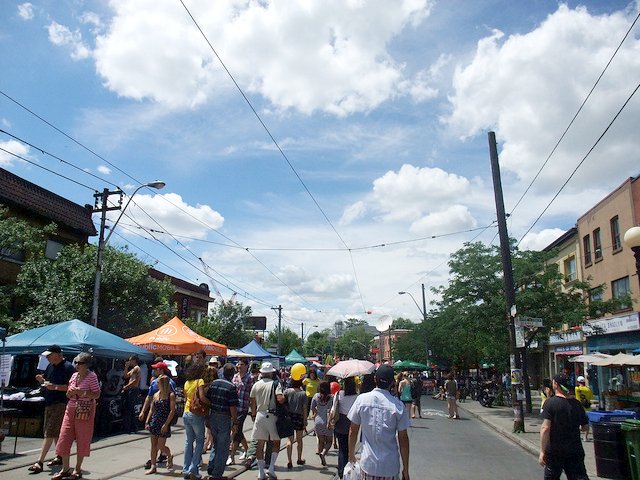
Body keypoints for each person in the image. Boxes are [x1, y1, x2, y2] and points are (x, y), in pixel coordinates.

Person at [348, 364, 410, 480]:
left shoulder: (362, 400)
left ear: (375, 379)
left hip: (368, 463)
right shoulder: (398, 406)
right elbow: (403, 440)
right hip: (390, 466)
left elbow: (353, 431)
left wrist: (351, 454)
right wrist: (405, 469)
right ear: (392, 382)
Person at [28, 345, 76, 474]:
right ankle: (59, 455)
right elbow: (48, 383)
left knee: (50, 432)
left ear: (57, 354)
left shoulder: (68, 367)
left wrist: (54, 387)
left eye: (50, 355)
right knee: (54, 431)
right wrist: (42, 380)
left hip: (60, 403)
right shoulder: (50, 367)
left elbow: (71, 388)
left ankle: (39, 461)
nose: (48, 357)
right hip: (49, 402)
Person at [53, 352, 101, 480]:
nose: (76, 365)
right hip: (71, 408)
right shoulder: (74, 375)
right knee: (64, 436)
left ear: (86, 365)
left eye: (79, 363)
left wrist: (82, 392)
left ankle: (77, 469)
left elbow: (96, 394)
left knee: (82, 438)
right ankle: (65, 469)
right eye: (76, 362)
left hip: (85, 410)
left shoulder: (92, 376)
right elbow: (68, 394)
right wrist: (70, 392)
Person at [539, 373, 589, 480]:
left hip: (555, 451)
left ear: (556, 385)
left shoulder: (550, 403)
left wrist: (542, 451)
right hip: (574, 450)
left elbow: (545, 428)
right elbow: (585, 427)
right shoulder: (577, 404)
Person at [250, 362, 285, 480]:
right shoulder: (275, 384)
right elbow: (280, 399)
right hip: (272, 415)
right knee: (276, 442)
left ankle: (261, 472)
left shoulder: (256, 384)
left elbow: (252, 401)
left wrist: (254, 415)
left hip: (259, 415)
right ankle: (270, 468)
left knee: (259, 444)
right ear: (271, 373)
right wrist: (284, 398)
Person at [140, 361, 176, 470]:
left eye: (156, 369)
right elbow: (151, 406)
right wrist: (146, 419)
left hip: (164, 421)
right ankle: (153, 465)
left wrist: (166, 424)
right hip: (155, 420)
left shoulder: (171, 391)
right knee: (153, 445)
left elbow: (172, 410)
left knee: (161, 445)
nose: (156, 384)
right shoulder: (155, 392)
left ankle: (168, 455)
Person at [206, 363, 239, 480]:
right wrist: (235, 422)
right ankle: (217, 473)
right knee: (223, 447)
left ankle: (211, 465)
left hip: (213, 415)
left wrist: (207, 416)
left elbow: (207, 400)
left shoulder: (214, 384)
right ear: (232, 374)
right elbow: (233, 407)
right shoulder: (231, 387)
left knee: (215, 442)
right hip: (224, 417)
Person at [182, 363, 208, 480]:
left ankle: (186, 469)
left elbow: (185, 396)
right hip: (196, 414)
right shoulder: (200, 381)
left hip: (186, 412)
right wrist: (210, 403)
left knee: (188, 441)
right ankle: (194, 469)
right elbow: (202, 397)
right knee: (200, 441)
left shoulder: (187, 382)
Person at [230, 358, 254, 465]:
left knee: (236, 430)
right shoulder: (235, 376)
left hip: (243, 408)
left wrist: (253, 410)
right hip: (234, 408)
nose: (239, 366)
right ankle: (247, 450)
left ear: (246, 366)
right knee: (237, 430)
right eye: (238, 364)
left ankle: (232, 456)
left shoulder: (250, 378)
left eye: (242, 364)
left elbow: (253, 396)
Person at [334, 376, 358, 479]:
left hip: (341, 422)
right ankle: (349, 469)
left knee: (342, 449)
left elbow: (334, 407)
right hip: (353, 422)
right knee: (350, 448)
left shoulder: (339, 394)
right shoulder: (357, 396)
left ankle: (341, 471)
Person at [284, 377, 308, 470]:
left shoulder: (287, 391)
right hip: (299, 417)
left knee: (290, 440)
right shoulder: (303, 394)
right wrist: (305, 421)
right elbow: (305, 408)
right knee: (299, 440)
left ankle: (289, 461)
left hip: (289, 417)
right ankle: (299, 459)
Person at [311, 380, 334, 467]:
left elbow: (312, 407)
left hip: (318, 421)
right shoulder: (331, 397)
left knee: (321, 441)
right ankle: (323, 453)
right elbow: (332, 410)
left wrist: (316, 413)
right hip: (328, 421)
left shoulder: (316, 396)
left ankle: (321, 455)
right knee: (329, 441)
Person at [122, 355, 141, 433]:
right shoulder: (133, 369)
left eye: (130, 360)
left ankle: (130, 427)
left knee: (130, 408)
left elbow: (135, 381)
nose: (129, 362)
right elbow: (126, 376)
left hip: (133, 389)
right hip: (131, 389)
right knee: (130, 408)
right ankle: (132, 427)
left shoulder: (137, 368)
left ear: (134, 360)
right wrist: (126, 367)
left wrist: (126, 387)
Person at [575, 376, 594, 441]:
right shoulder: (588, 389)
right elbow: (591, 398)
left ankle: (577, 435)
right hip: (587, 408)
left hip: (579, 407)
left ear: (578, 382)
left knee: (577, 422)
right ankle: (585, 437)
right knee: (587, 423)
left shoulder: (577, 389)